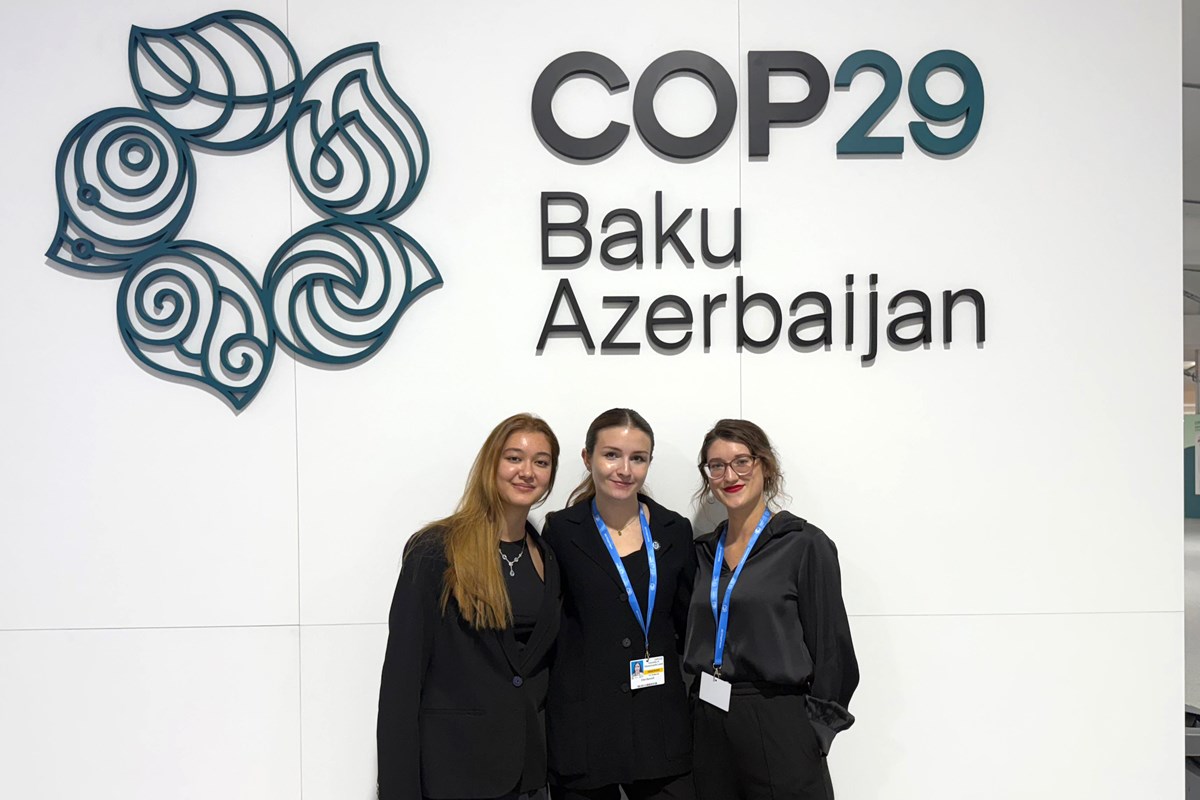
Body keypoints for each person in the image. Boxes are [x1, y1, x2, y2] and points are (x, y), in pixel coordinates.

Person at [377, 413, 562, 800]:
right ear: (490, 464)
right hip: (454, 770)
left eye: (541, 462)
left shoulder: (547, 555)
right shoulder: (437, 550)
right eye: (514, 458)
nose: (527, 472)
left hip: (528, 776)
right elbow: (402, 677)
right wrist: (398, 788)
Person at [684, 419, 858, 800]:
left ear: (765, 465)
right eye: (716, 465)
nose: (729, 475)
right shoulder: (702, 554)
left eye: (741, 461)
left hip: (777, 717)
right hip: (709, 720)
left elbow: (833, 650)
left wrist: (813, 730)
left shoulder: (804, 545)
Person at [542, 408, 697, 800]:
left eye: (637, 458)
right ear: (587, 458)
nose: (624, 469)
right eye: (612, 454)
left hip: (659, 728)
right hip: (585, 731)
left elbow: (688, 625)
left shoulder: (674, 530)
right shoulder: (560, 531)